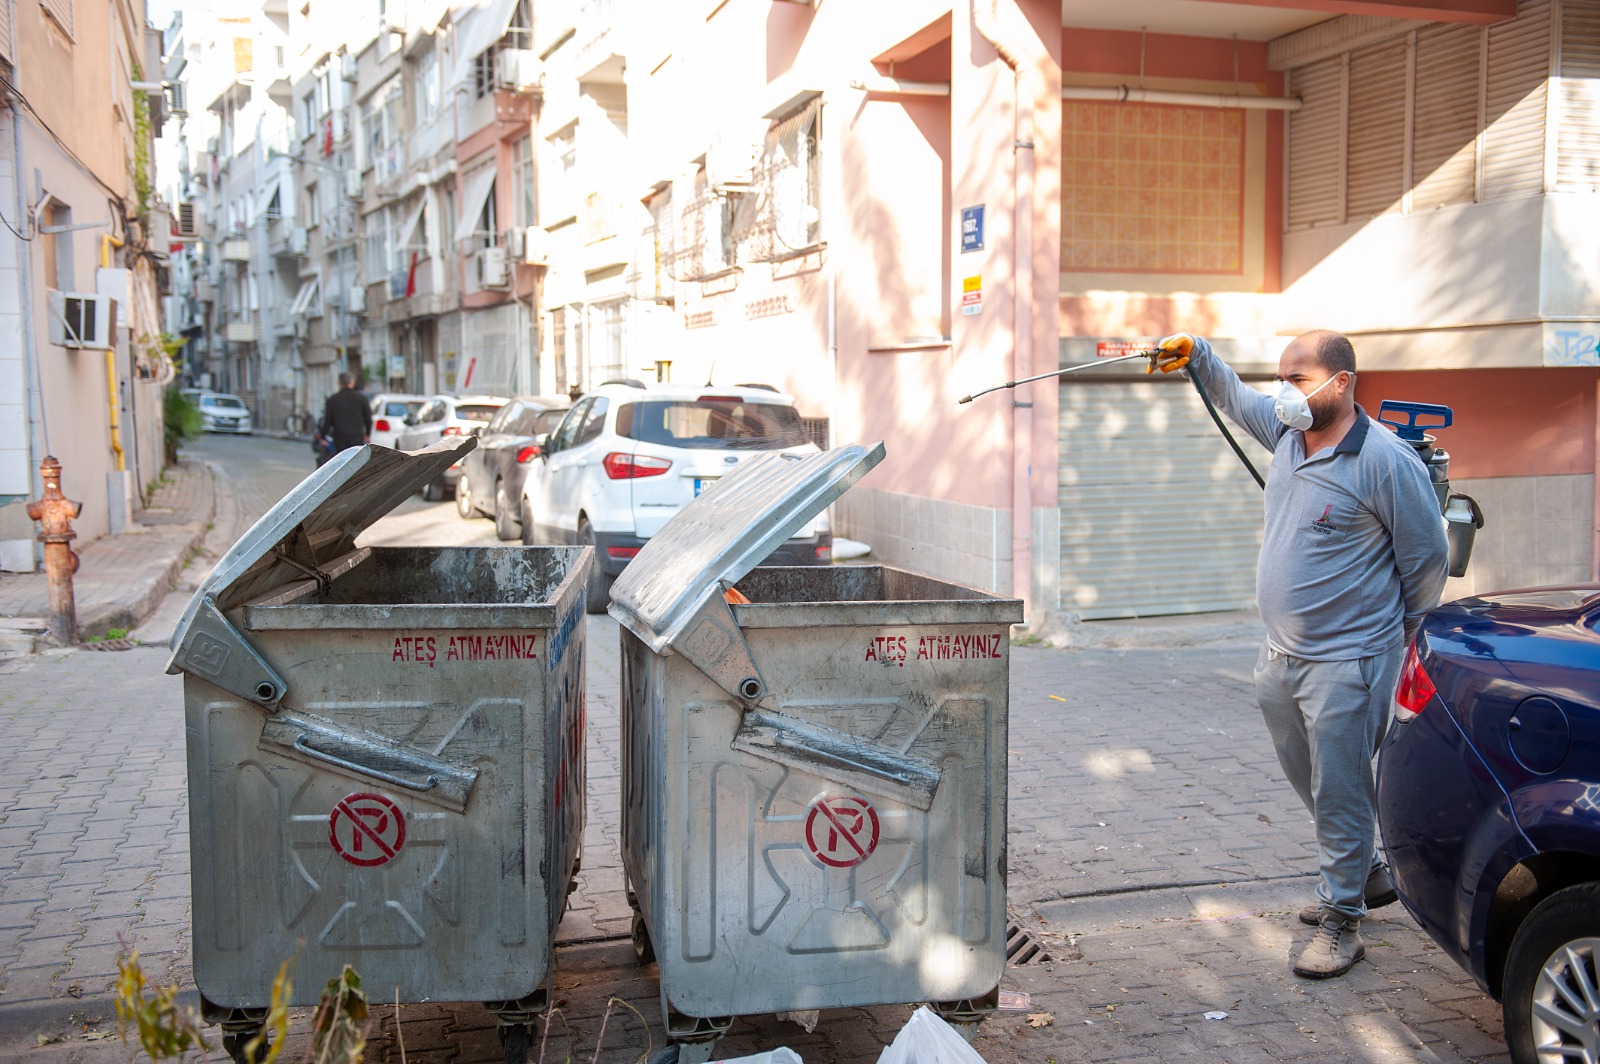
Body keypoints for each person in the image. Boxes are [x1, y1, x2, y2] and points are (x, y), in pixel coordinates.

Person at [1150, 330, 1448, 979]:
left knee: (1340, 786)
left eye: (1299, 376)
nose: (1284, 390)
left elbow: (1427, 560)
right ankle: (1365, 872)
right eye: (1282, 376)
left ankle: (1343, 920)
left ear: (1341, 383)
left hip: (1351, 659)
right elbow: (1232, 395)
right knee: (1310, 776)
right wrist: (1196, 353)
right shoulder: (1288, 435)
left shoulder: (1385, 462)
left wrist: (1398, 638)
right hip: (1282, 655)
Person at [319, 372, 372, 460]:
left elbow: (327, 420)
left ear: (339, 383)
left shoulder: (333, 400)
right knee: (357, 461)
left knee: (342, 462)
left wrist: (323, 436)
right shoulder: (362, 399)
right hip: (357, 437)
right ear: (352, 382)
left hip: (340, 438)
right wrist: (367, 434)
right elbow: (368, 419)